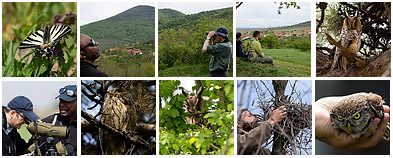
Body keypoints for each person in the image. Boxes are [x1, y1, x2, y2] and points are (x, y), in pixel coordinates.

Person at [315, 92, 390, 149]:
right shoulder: (333, 114)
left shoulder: (371, 103)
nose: (348, 125)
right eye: (340, 119)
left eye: (357, 116)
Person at [28, 85, 77, 156]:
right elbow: (31, 151)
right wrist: (34, 139)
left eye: (67, 101)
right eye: (60, 101)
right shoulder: (48, 123)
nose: (61, 105)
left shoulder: (84, 125)